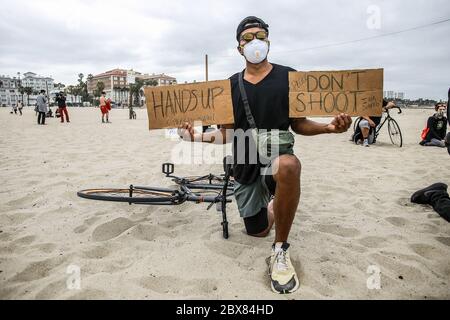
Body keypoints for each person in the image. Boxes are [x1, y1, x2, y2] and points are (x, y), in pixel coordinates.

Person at [178, 16, 352, 294]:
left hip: (276, 159)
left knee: (289, 166)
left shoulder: (289, 77)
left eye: (260, 36)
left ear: (268, 42)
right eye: (247, 38)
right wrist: (194, 136)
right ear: (239, 48)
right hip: (245, 161)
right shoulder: (230, 86)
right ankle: (274, 207)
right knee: (257, 231)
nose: (254, 42)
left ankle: (281, 250)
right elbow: (228, 134)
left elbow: (298, 124)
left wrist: (329, 128)